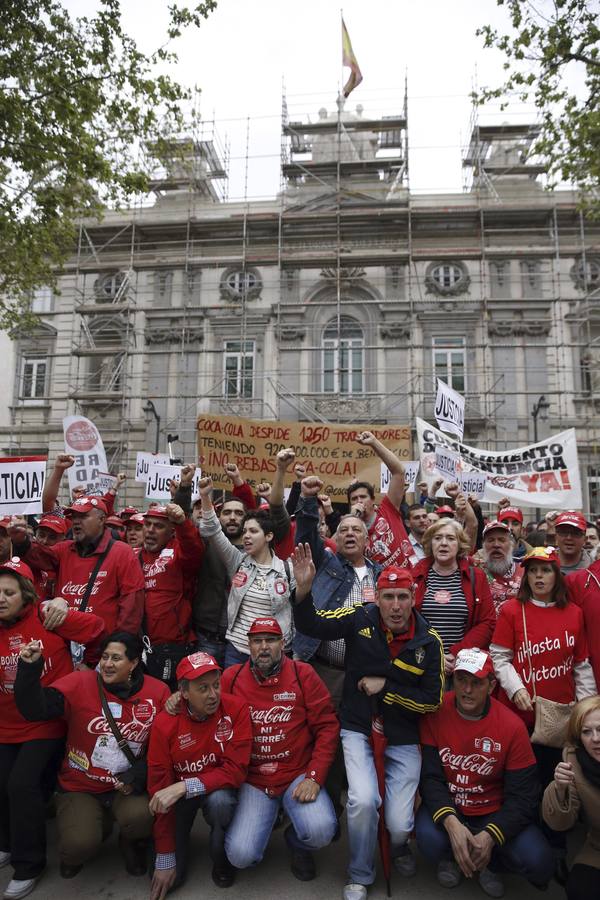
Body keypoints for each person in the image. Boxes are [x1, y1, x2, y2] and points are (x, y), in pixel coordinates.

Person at [293, 546, 444, 900]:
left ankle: (399, 846)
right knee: (362, 801)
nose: (395, 605)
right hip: (358, 726)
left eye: (402, 597)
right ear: (377, 597)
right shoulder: (360, 616)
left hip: (403, 735)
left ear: (413, 599)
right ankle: (360, 872)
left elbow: (432, 700)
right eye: (388, 597)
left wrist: (386, 688)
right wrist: (303, 591)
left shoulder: (429, 641)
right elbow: (313, 624)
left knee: (399, 825)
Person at [14, 631, 170, 881]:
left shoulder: (158, 691)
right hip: (80, 785)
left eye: (116, 658)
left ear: (133, 663)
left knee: (142, 818)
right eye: (105, 657)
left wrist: (138, 776)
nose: (107, 664)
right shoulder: (80, 682)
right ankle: (92, 830)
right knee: (78, 846)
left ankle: (130, 841)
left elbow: (164, 750)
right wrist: (29, 669)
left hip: (125, 786)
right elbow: (35, 709)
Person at [0, 558, 105, 900]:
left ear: (26, 595)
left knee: (21, 784)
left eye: (9, 592)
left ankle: (29, 865)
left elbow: (97, 629)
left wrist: (87, 666)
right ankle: (7, 842)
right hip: (5, 724)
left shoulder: (48, 617)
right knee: (2, 782)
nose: (1, 599)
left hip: (46, 721)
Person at [490, 546, 597, 876]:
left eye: (546, 570)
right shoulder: (512, 610)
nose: (539, 576)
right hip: (520, 717)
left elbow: (581, 665)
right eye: (533, 570)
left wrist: (586, 712)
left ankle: (554, 849)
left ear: (557, 575)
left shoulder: (574, 613)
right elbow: (500, 657)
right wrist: (516, 688)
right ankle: (516, 849)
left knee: (556, 785)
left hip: (560, 721)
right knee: (522, 785)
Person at [416, 648, 553, 896]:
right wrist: (451, 823)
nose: (467, 690)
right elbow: (430, 778)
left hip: (493, 811)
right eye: (461, 680)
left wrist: (491, 834)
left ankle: (490, 862)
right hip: (452, 806)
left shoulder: (512, 726)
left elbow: (524, 796)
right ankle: (453, 855)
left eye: (476, 682)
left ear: (491, 686)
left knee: (539, 861)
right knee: (428, 839)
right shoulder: (435, 711)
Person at [222, 616, 339, 882]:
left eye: (271, 640)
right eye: (257, 641)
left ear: (283, 643)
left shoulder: (302, 673)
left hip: (296, 774)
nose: (264, 647)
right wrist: (179, 699)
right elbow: (206, 706)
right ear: (248, 645)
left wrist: (314, 777)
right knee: (240, 856)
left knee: (321, 831)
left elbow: (327, 727)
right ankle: (266, 818)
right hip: (254, 779)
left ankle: (297, 842)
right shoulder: (231, 677)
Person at [147, 651, 252, 898]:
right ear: (183, 692)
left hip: (215, 790)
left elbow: (236, 771)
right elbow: (160, 790)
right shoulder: (164, 723)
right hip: (179, 799)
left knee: (221, 803)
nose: (213, 694)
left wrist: (185, 786)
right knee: (169, 877)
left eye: (216, 685)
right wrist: (165, 856)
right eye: (203, 688)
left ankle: (221, 858)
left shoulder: (236, 709)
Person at [10, 497, 144, 661]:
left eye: (83, 516)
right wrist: (22, 541)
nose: (76, 522)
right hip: (63, 650)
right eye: (74, 517)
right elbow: (38, 557)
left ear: (102, 519)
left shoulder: (122, 553)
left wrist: (118, 650)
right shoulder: (64, 549)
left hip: (104, 654)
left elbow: (131, 609)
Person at [196, 476, 294, 668]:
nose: (246, 536)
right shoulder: (237, 561)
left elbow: (301, 607)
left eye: (253, 532)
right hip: (237, 652)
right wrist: (206, 497)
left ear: (268, 536)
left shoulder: (287, 569)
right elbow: (214, 530)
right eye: (245, 532)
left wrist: (305, 585)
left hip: (273, 654)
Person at [412, 518, 495, 678]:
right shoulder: (415, 576)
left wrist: (457, 653)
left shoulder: (476, 576)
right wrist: (435, 656)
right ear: (430, 544)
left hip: (463, 665)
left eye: (450, 538)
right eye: (438, 538)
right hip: (422, 663)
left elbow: (488, 622)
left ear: (460, 545)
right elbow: (407, 622)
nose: (443, 543)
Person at [137, 501, 203, 687]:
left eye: (158, 526)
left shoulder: (178, 552)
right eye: (147, 524)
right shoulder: (133, 555)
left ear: (172, 531)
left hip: (172, 647)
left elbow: (193, 549)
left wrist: (183, 523)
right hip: (139, 644)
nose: (150, 530)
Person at [542, 696, 600, 900]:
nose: (595, 738)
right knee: (579, 889)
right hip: (598, 847)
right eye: (586, 732)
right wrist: (560, 789)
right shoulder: (574, 762)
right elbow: (560, 824)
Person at [346, 432, 411, 568]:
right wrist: (352, 518)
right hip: (380, 581)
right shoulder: (348, 531)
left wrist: (374, 442)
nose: (359, 501)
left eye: (363, 497)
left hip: (410, 576)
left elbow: (399, 471)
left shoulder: (387, 510)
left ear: (373, 500)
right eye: (354, 499)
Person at [475, 521, 522, 618]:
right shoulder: (476, 574)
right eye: (491, 540)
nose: (496, 545)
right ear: (483, 546)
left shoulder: (525, 572)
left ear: (511, 545)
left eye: (502, 540)